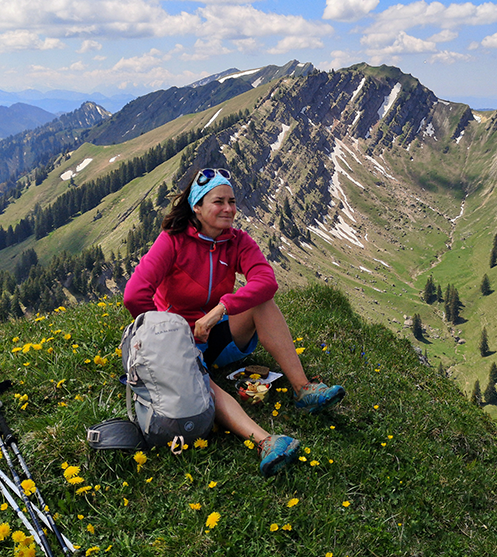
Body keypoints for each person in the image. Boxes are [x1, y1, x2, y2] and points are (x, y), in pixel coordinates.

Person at [123, 167, 346, 476]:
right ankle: (266, 442)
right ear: (197, 207)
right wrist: (166, 336)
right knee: (204, 385)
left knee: (262, 303)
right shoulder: (172, 241)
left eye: (232, 201)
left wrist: (221, 309)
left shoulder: (237, 241)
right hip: (179, 343)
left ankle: (303, 389)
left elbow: (266, 281)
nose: (228, 208)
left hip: (214, 334)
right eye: (219, 201)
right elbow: (135, 295)